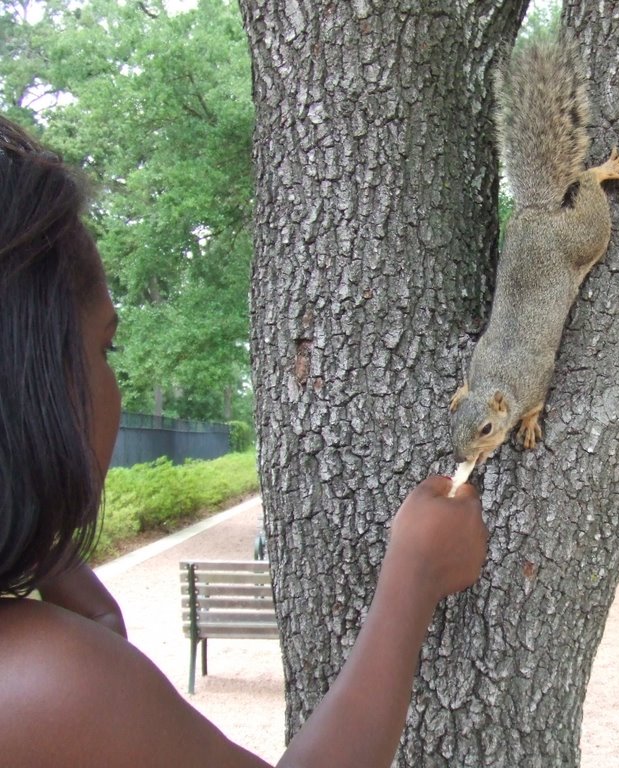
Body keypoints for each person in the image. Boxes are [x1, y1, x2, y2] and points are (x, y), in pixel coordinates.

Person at [0, 114, 489, 767]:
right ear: (31, 376)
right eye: (104, 347)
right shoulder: (46, 688)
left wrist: (54, 564)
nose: (113, 381)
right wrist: (414, 579)